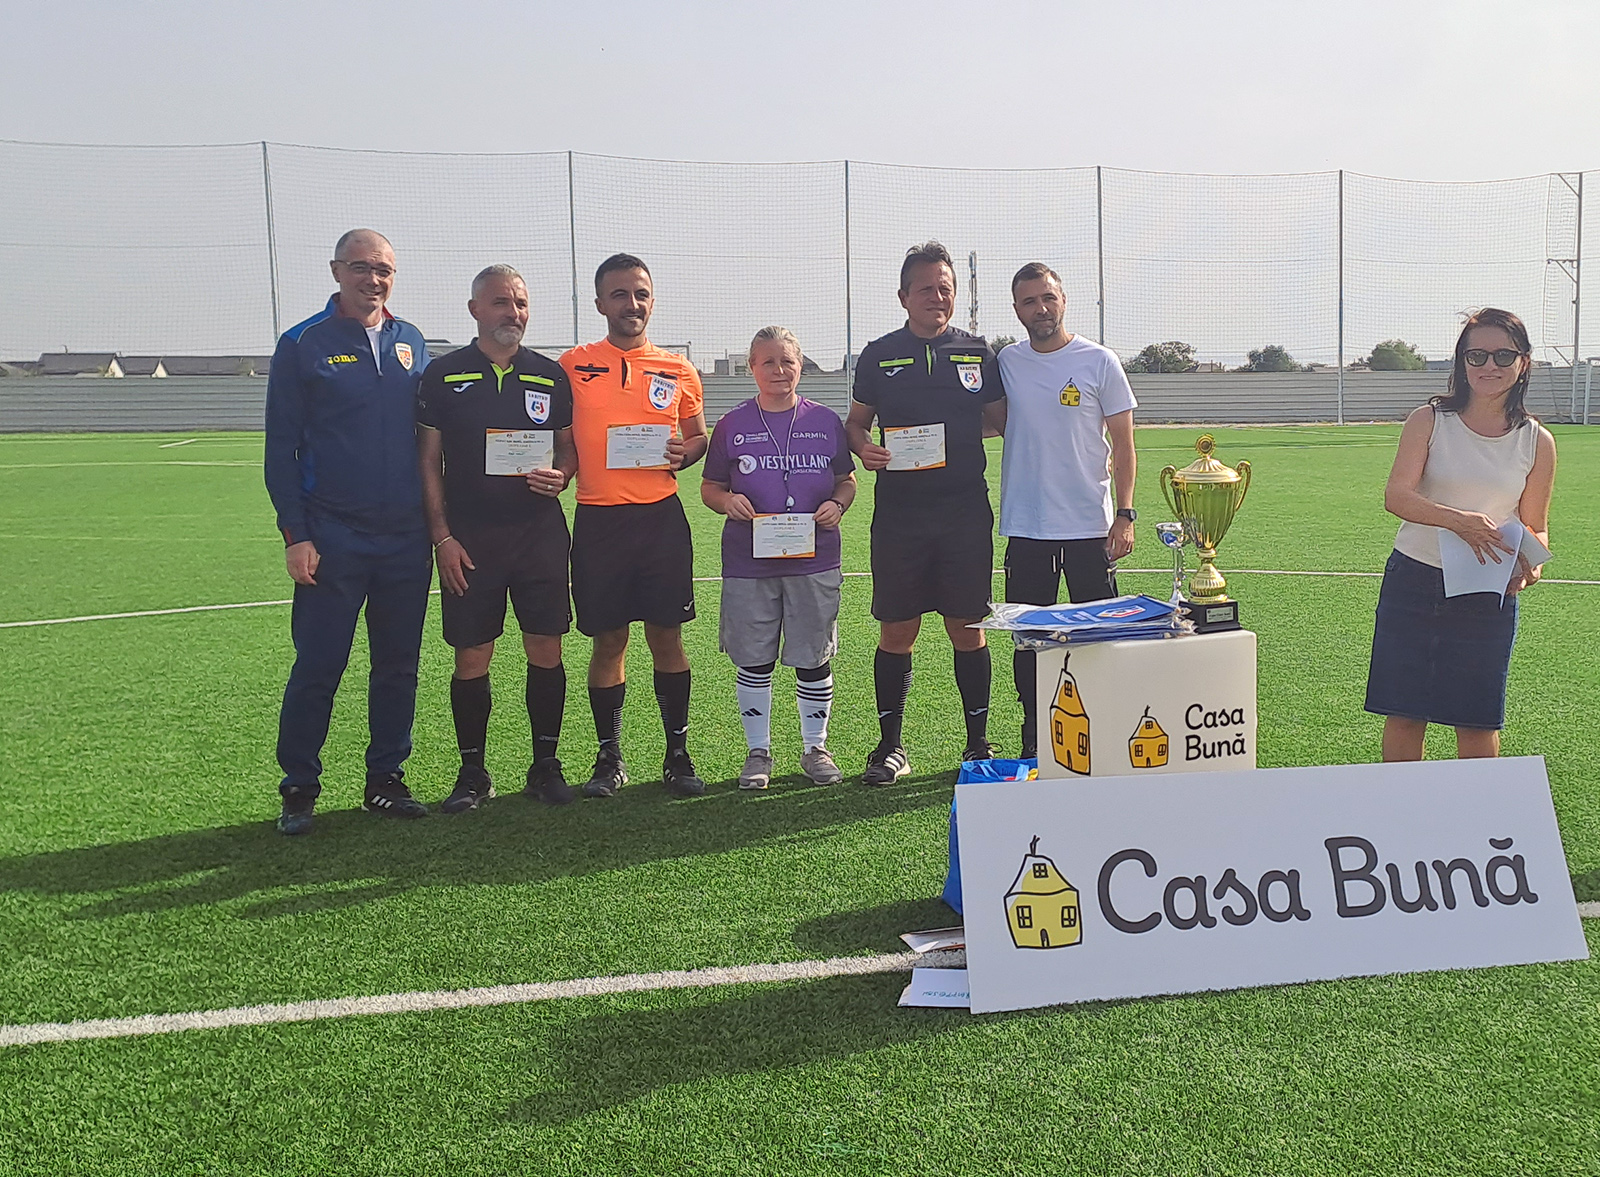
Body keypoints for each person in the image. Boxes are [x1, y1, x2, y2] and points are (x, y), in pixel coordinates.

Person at [264, 229, 432, 835]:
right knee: (318, 666)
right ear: (336, 271)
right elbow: (280, 449)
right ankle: (299, 787)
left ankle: (385, 779)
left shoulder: (412, 341)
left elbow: (432, 438)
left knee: (398, 666)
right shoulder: (301, 343)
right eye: (361, 267)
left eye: (383, 269)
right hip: (332, 536)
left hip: (406, 538)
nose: (373, 279)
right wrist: (296, 535)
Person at [416, 265, 578, 813]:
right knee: (472, 656)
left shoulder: (550, 375)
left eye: (521, 303)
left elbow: (567, 450)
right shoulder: (443, 375)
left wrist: (562, 475)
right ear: (475, 310)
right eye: (502, 302)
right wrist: (442, 537)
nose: (514, 313)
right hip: (471, 540)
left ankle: (545, 765)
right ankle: (472, 772)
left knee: (546, 648)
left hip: (539, 537)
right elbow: (428, 462)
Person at [845, 241, 1007, 784]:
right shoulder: (879, 354)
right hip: (900, 517)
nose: (937, 297)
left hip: (964, 514)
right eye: (925, 289)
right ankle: (890, 747)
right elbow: (856, 424)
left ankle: (978, 743)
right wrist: (864, 448)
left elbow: (1001, 421)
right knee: (898, 630)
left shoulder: (978, 352)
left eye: (945, 288)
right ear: (903, 296)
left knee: (968, 628)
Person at [1366, 307, 1557, 761]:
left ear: (1523, 363)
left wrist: (1530, 567)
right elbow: (1397, 496)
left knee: (1476, 721)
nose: (1489, 366)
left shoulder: (1538, 441)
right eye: (1477, 356)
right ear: (1462, 362)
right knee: (1405, 713)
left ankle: (1478, 808)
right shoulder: (1429, 419)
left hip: (1487, 591)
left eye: (1503, 355)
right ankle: (1401, 803)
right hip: (1414, 580)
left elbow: (1537, 526)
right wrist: (1459, 521)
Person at [560, 254, 710, 798]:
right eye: (620, 294)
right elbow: (560, 441)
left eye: (641, 294)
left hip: (659, 521)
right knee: (609, 642)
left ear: (652, 300)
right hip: (599, 521)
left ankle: (677, 755)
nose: (632, 304)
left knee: (667, 638)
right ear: (600, 302)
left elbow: (697, 438)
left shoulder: (678, 369)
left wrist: (685, 453)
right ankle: (609, 758)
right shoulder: (572, 364)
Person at [702, 326, 857, 789]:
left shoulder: (825, 421)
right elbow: (710, 488)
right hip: (750, 563)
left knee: (813, 656)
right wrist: (727, 502)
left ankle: (815, 748)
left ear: (800, 365)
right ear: (752, 367)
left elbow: (846, 480)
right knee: (753, 658)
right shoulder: (731, 424)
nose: (779, 370)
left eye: (787, 361)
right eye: (768, 361)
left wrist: (839, 504)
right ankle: (758, 752)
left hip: (814, 559)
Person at [995, 262, 1138, 759]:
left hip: (1089, 527)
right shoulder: (1006, 362)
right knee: (1029, 641)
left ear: (1063, 300)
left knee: (1098, 638)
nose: (1041, 308)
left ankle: (1106, 732)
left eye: (1048, 298)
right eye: (1029, 301)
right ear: (1017, 310)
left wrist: (1125, 514)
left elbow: (1124, 445)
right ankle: (1035, 737)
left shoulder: (1099, 361)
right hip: (1027, 526)